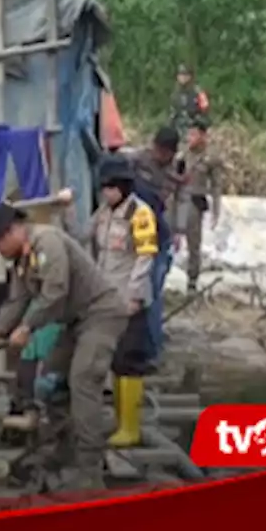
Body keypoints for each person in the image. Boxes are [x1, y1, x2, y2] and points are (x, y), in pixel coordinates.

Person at [0, 204, 129, 491]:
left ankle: (90, 471)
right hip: (75, 322)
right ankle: (65, 449)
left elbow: (55, 291)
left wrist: (28, 327)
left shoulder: (47, 242)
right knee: (50, 381)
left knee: (83, 381)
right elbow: (16, 301)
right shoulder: (22, 259)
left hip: (100, 314)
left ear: (11, 232)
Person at [89, 158, 159, 448]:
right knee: (116, 360)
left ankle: (130, 428)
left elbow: (145, 257)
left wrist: (134, 294)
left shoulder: (140, 214)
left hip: (130, 299)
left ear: (121, 186)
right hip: (108, 298)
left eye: (109, 188)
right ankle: (120, 422)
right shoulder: (103, 214)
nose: (105, 193)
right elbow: (86, 238)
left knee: (130, 361)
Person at [121, 126, 186, 373]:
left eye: (166, 152)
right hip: (135, 235)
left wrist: (179, 229)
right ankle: (139, 347)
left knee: (153, 293)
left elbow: (182, 198)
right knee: (138, 290)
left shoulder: (177, 172)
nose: (161, 156)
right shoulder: (137, 160)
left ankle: (152, 350)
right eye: (158, 150)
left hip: (159, 237)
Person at [183, 115, 222, 294]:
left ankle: (192, 280)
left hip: (196, 201)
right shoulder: (183, 154)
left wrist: (216, 211)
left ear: (203, 136)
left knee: (194, 244)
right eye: (188, 134)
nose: (189, 138)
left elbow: (216, 186)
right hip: (180, 200)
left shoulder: (211, 158)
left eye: (193, 134)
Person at [168, 64, 209, 135]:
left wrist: (197, 119)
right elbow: (173, 112)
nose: (183, 78)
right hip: (180, 124)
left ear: (190, 76)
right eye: (180, 75)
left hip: (195, 123)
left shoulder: (198, 91)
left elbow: (205, 108)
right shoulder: (175, 94)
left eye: (185, 75)